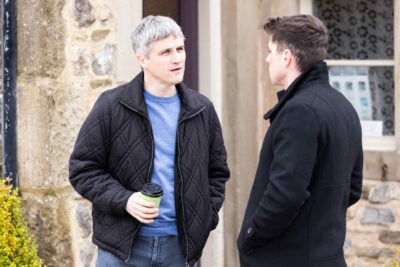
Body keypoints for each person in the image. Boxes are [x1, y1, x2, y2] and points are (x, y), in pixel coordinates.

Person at [69, 15, 230, 267]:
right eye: (165, 52)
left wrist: (205, 218)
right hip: (121, 250)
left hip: (180, 249)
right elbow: (83, 170)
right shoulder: (111, 105)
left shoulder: (202, 109)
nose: (177, 58)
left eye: (180, 48)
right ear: (142, 59)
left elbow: (217, 173)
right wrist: (125, 200)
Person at [237, 14, 363, 267]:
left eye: (270, 50)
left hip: (289, 259)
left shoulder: (300, 111)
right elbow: (353, 189)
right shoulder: (343, 105)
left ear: (287, 57)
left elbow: (285, 195)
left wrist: (250, 237)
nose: (267, 58)